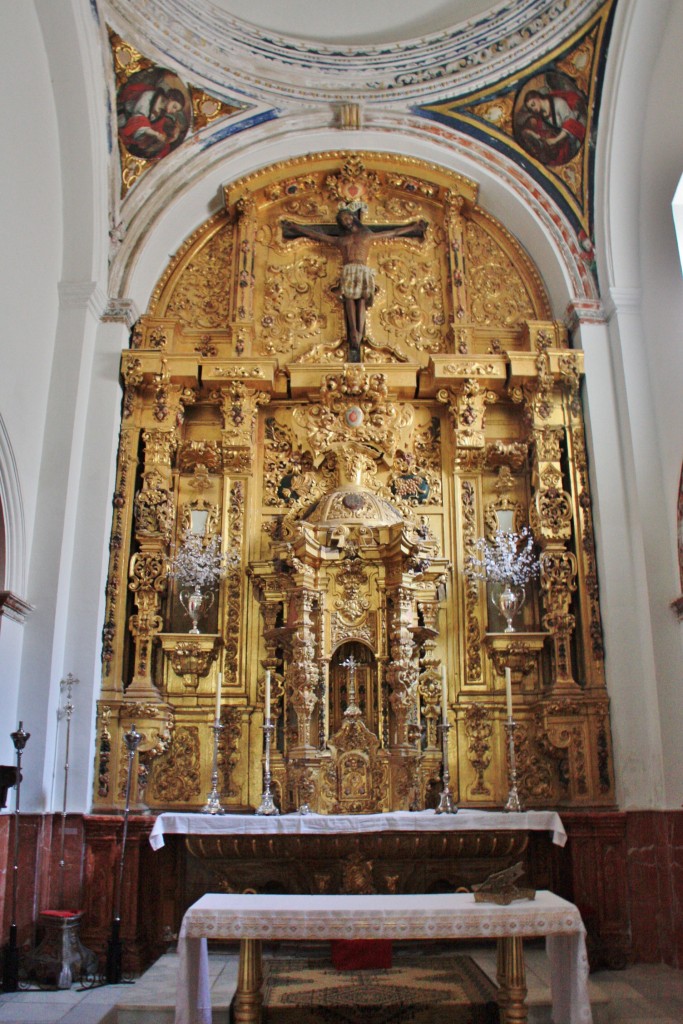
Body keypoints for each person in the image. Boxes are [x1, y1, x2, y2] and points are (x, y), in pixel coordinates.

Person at [283, 208, 428, 361]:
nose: (346, 221)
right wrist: (296, 228)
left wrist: (413, 228)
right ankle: (353, 332)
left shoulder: (366, 235)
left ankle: (359, 333)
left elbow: (392, 233)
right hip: (348, 271)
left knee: (362, 301)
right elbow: (318, 236)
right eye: (343, 220)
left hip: (362, 270)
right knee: (349, 299)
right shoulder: (341, 240)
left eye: (347, 217)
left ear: (352, 217)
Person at [520, 88, 586, 166]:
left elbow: (571, 124)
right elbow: (546, 131)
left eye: (533, 104)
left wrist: (555, 140)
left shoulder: (559, 103)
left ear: (538, 97)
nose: (534, 109)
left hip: (575, 133)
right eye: (531, 108)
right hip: (563, 139)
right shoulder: (542, 116)